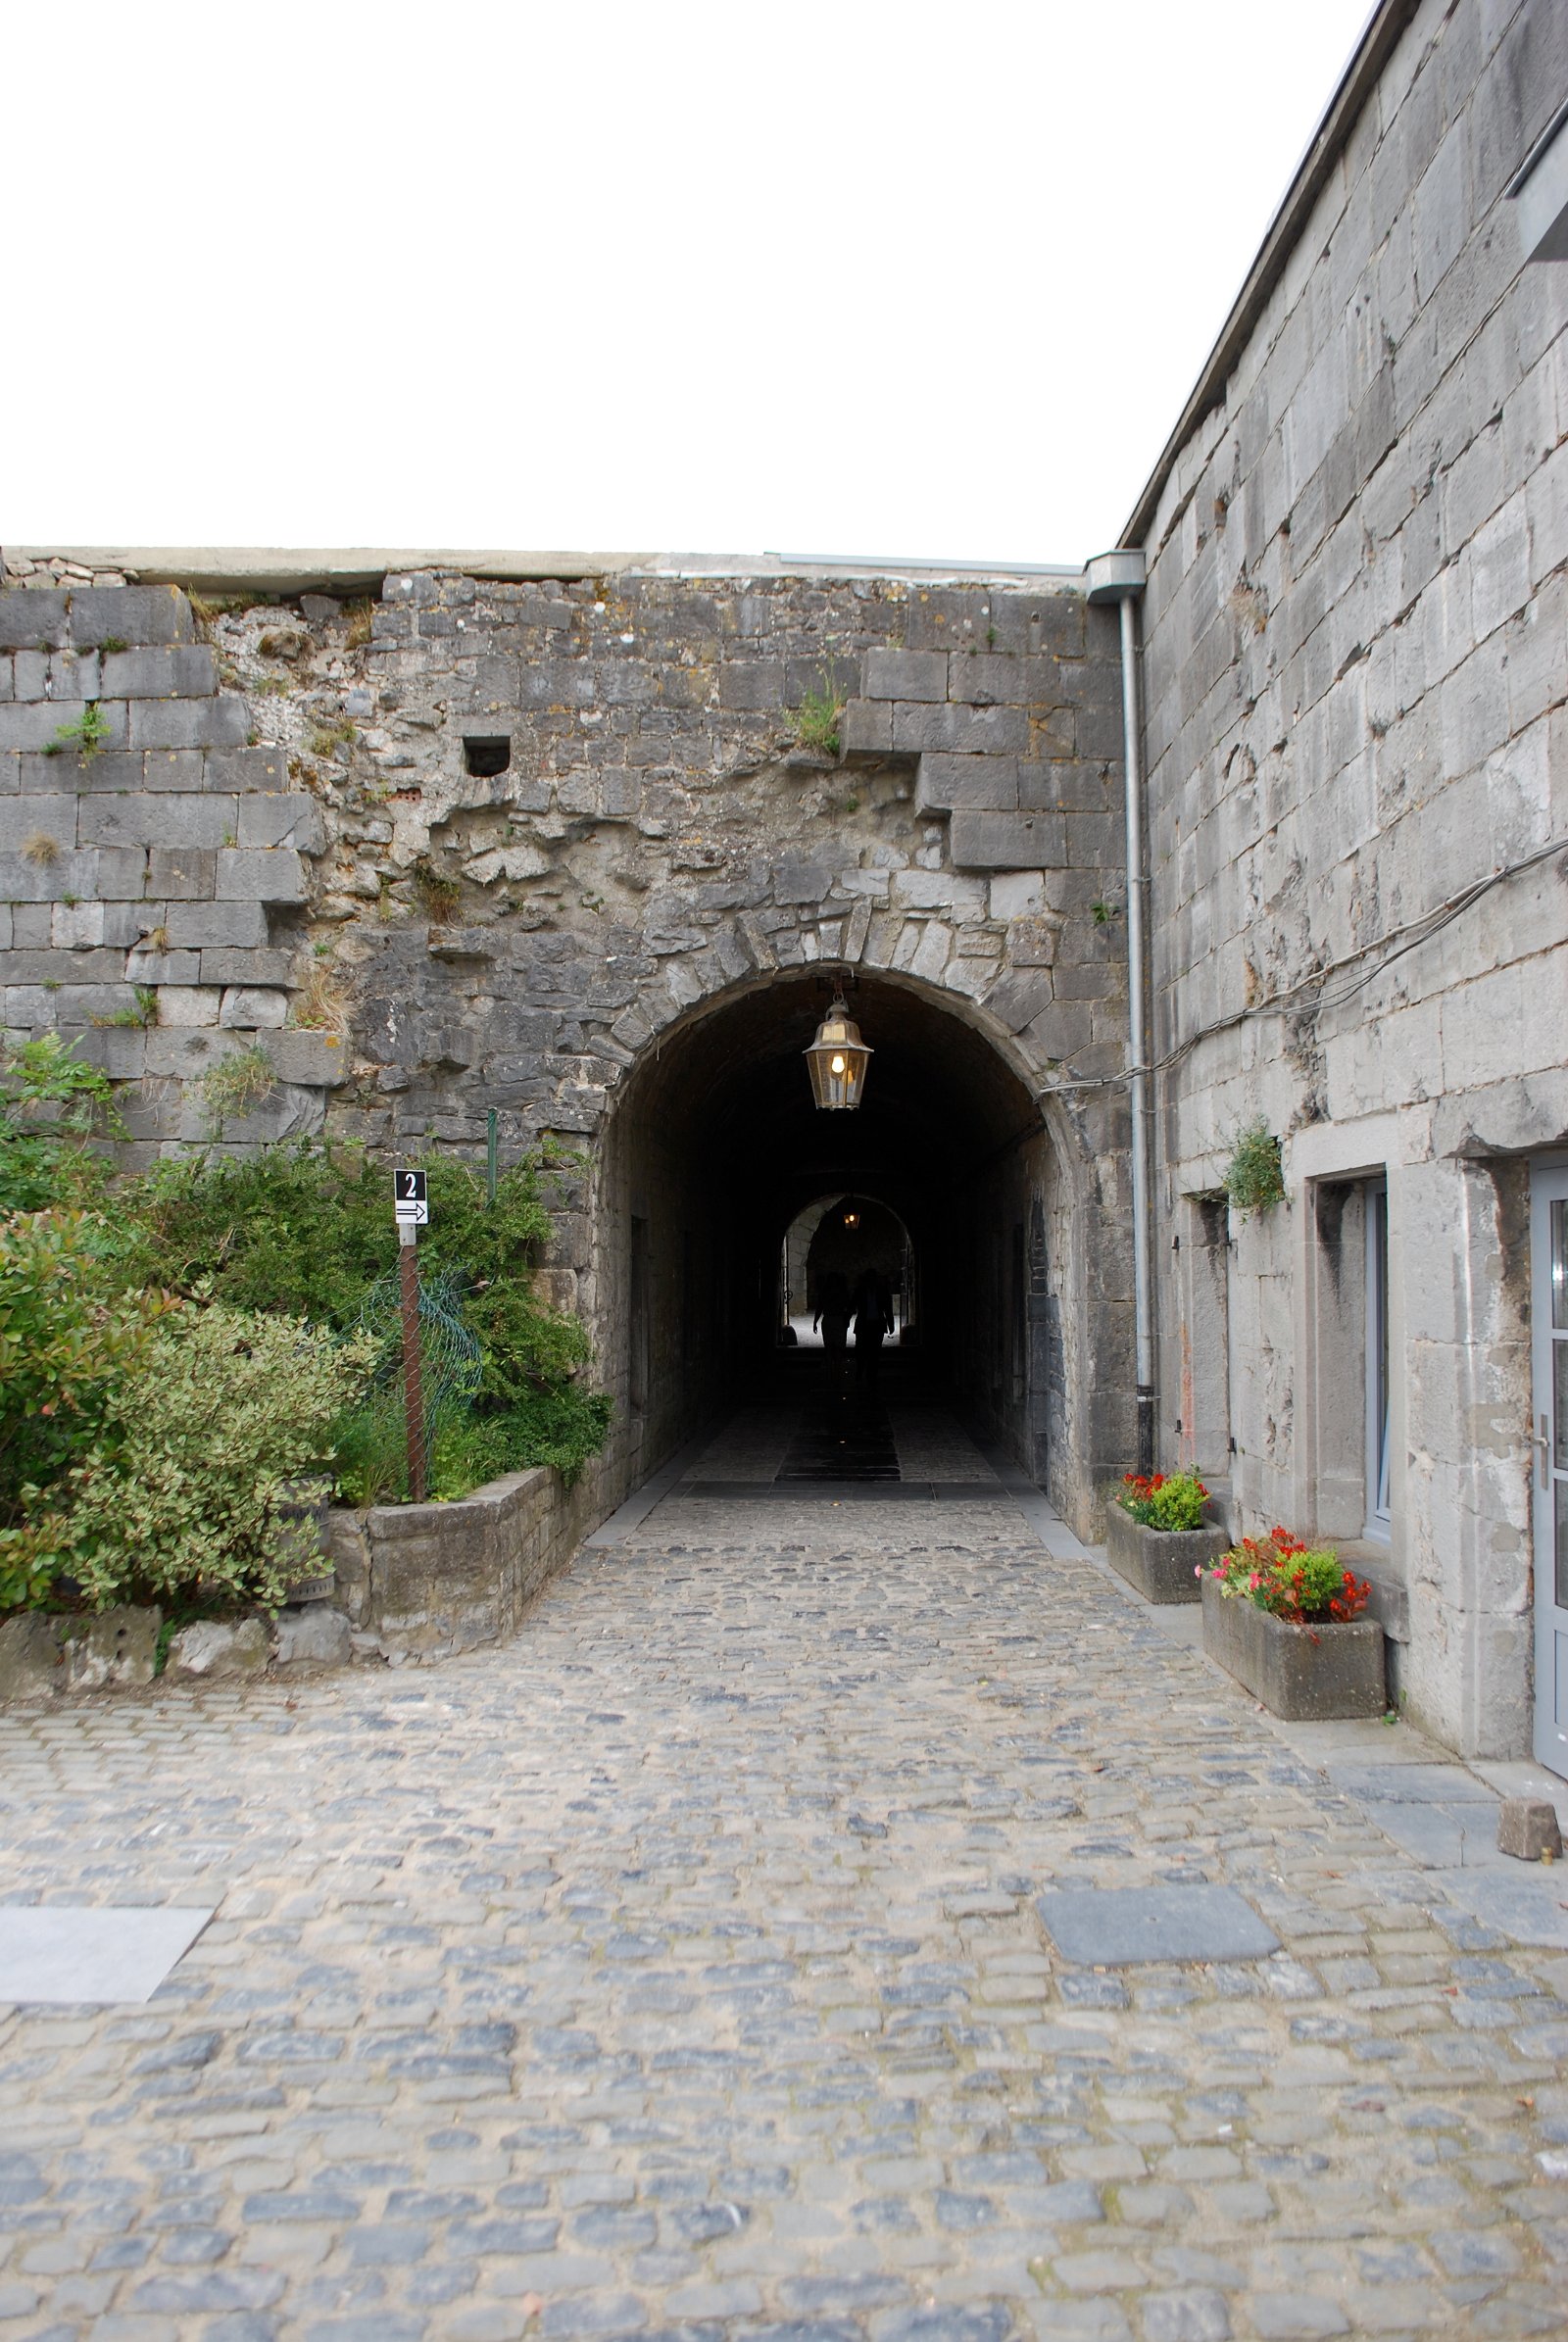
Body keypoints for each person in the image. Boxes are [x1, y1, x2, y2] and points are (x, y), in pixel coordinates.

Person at [851, 1267, 893, 1390]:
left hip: (876, 1325)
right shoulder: (860, 1291)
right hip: (864, 1325)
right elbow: (852, 1305)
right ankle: (861, 1371)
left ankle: (871, 1375)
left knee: (874, 1352)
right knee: (861, 1350)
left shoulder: (882, 1291)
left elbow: (887, 1308)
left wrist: (890, 1323)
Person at [812, 1270, 852, 1379]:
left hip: (828, 1320)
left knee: (829, 1347)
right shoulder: (842, 1292)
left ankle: (831, 1371)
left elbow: (819, 1308)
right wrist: (847, 1319)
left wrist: (815, 1322)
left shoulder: (824, 1292)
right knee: (838, 1348)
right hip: (838, 1320)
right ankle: (837, 1371)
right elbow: (849, 1307)